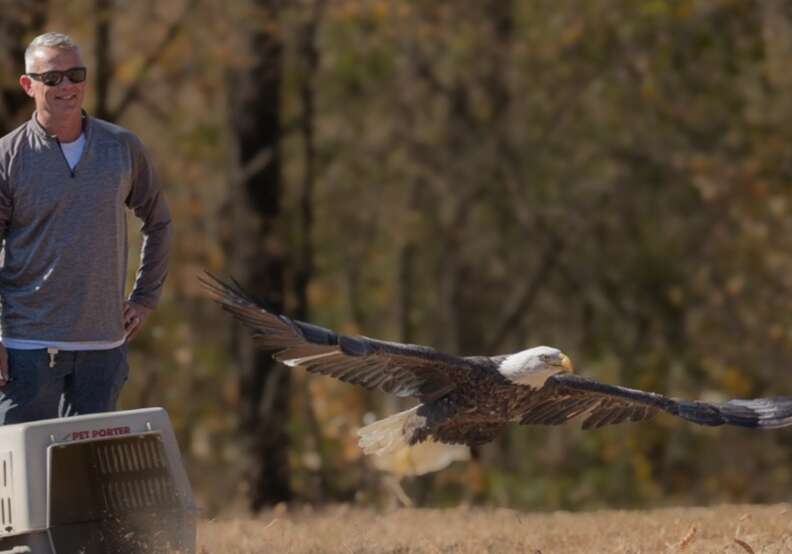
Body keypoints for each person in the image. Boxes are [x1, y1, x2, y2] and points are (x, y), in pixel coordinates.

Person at [0, 32, 172, 424]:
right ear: (28, 85)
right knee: (21, 475)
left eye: (75, 74)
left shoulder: (122, 147)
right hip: (26, 348)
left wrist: (145, 297)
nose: (67, 86)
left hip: (103, 349)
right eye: (52, 78)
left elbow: (158, 221)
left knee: (86, 478)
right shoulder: (8, 157)